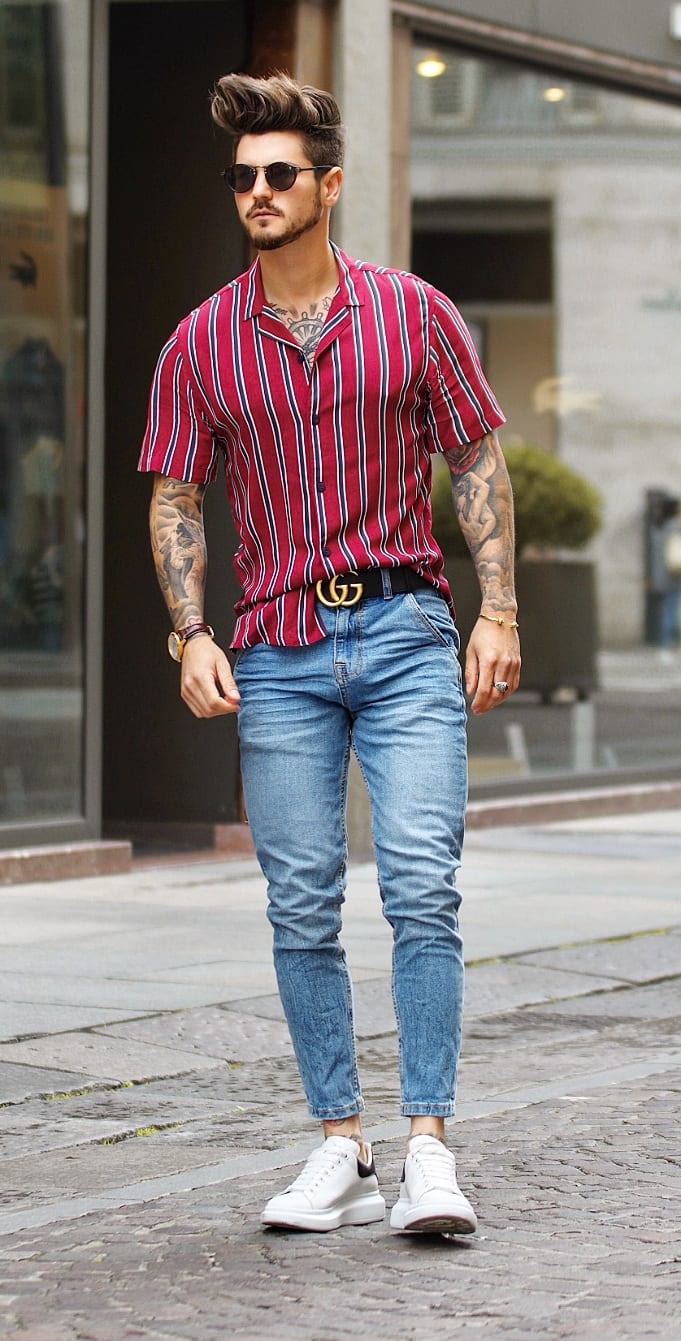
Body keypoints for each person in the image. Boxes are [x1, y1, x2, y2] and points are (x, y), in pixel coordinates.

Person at [139, 72, 520, 1236]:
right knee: (300, 904)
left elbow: (477, 463)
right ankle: (338, 1144)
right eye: (244, 177)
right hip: (280, 654)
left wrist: (497, 609)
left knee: (420, 888)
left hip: (406, 632)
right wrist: (189, 632)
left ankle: (429, 1150)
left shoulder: (416, 314)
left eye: (280, 174)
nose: (258, 191)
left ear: (328, 185)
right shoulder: (201, 342)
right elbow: (175, 494)